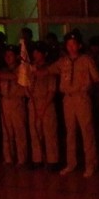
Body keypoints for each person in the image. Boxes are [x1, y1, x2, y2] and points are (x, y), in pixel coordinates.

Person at [47, 31, 99, 177]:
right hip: (68, 99)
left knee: (87, 132)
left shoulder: (86, 60)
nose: (71, 47)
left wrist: (88, 88)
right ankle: (71, 163)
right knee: (70, 132)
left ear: (79, 45)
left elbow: (97, 78)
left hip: (82, 98)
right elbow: (48, 70)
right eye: (68, 44)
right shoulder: (62, 61)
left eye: (73, 44)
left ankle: (91, 164)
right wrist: (30, 70)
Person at [27, 42, 59, 170]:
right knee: (35, 132)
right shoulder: (30, 68)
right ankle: (37, 159)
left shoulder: (49, 69)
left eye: (38, 52)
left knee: (49, 132)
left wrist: (44, 107)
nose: (35, 54)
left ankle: (52, 160)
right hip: (33, 102)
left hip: (46, 102)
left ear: (44, 54)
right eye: (34, 52)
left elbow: (52, 89)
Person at [0, 45, 29, 166]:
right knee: (7, 132)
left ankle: (21, 158)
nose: (7, 57)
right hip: (5, 101)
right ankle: (8, 157)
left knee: (19, 131)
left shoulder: (21, 69)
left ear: (16, 56)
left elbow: (16, 77)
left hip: (17, 102)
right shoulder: (3, 70)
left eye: (10, 55)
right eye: (6, 55)